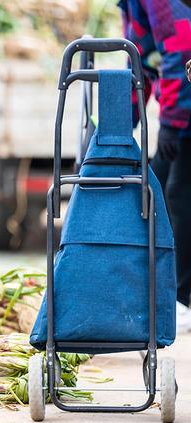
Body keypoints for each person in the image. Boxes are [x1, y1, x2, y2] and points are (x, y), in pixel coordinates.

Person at [120, 1, 191, 311]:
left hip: (184, 111)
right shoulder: (133, 4)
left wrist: (172, 125)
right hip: (182, 108)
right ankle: (160, 292)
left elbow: (180, 48)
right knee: (154, 189)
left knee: (175, 195)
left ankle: (180, 297)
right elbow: (140, 65)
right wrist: (116, 128)